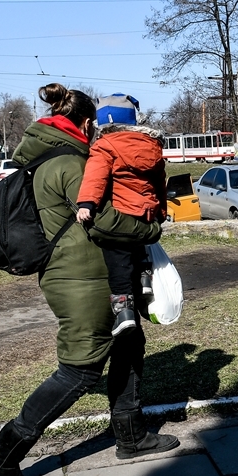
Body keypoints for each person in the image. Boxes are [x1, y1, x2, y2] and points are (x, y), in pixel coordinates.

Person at [0, 83, 178, 476]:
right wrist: (151, 228)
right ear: (86, 123)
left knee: (129, 343)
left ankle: (131, 434)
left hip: (92, 274)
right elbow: (103, 221)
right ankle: (3, 455)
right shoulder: (69, 162)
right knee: (80, 369)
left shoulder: (47, 156)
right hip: (80, 280)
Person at [75, 94, 165, 335]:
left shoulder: (105, 146)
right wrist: (161, 210)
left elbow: (96, 177)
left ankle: (124, 312)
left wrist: (86, 204)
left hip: (122, 210)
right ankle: (145, 278)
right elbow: (160, 183)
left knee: (117, 258)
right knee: (140, 246)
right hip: (146, 214)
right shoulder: (152, 146)